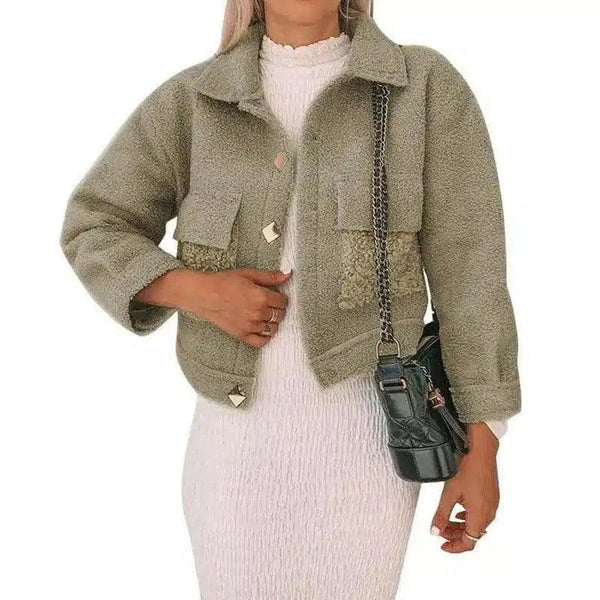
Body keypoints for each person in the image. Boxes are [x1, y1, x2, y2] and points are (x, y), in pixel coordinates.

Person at [59, 1, 521, 598]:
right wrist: (199, 293)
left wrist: (483, 444)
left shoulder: (421, 88)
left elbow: (472, 275)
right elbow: (94, 225)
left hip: (371, 452)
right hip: (232, 451)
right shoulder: (194, 101)